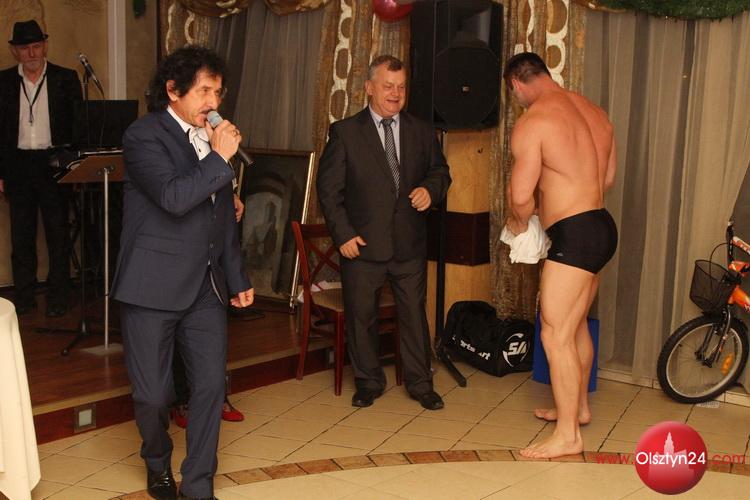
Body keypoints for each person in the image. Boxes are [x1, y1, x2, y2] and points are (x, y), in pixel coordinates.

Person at [111, 45, 254, 500]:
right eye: (204, 91)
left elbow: (221, 217)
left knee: (211, 387)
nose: (214, 102)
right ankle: (156, 460)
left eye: (218, 92)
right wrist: (219, 158)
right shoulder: (143, 135)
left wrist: (237, 276)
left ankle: (198, 485)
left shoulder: (211, 144)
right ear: (173, 90)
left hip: (206, 287)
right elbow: (174, 198)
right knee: (153, 396)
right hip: (151, 285)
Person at [317, 55, 451, 411]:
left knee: (414, 316)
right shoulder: (345, 132)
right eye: (388, 86)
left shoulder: (421, 130)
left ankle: (421, 384)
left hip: (409, 244)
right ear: (369, 88)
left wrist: (431, 190)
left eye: (401, 87)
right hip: (361, 245)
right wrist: (343, 235)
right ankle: (368, 381)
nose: (395, 93)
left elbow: (440, 172)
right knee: (361, 317)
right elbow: (329, 191)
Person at [504, 52, 617, 459]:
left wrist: (520, 223)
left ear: (516, 84)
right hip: (601, 226)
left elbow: (521, 195)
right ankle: (578, 409)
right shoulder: (595, 113)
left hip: (576, 235)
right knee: (575, 325)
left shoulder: (534, 121)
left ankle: (568, 436)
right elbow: (607, 178)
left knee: (554, 333)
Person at [0, 19, 81, 317]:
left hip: (54, 164)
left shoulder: (65, 78)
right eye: (25, 48)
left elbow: (77, 126)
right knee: (21, 236)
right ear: (15, 51)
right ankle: (24, 298)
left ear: (45, 46)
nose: (32, 53)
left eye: (36, 46)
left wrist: (73, 166)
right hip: (17, 165)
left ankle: (59, 297)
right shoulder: (3, 82)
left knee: (58, 234)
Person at [171, 193, 246, 429]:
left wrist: (229, 194)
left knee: (212, 328)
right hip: (176, 236)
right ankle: (182, 398)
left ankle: (218, 396)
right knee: (178, 320)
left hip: (212, 236)